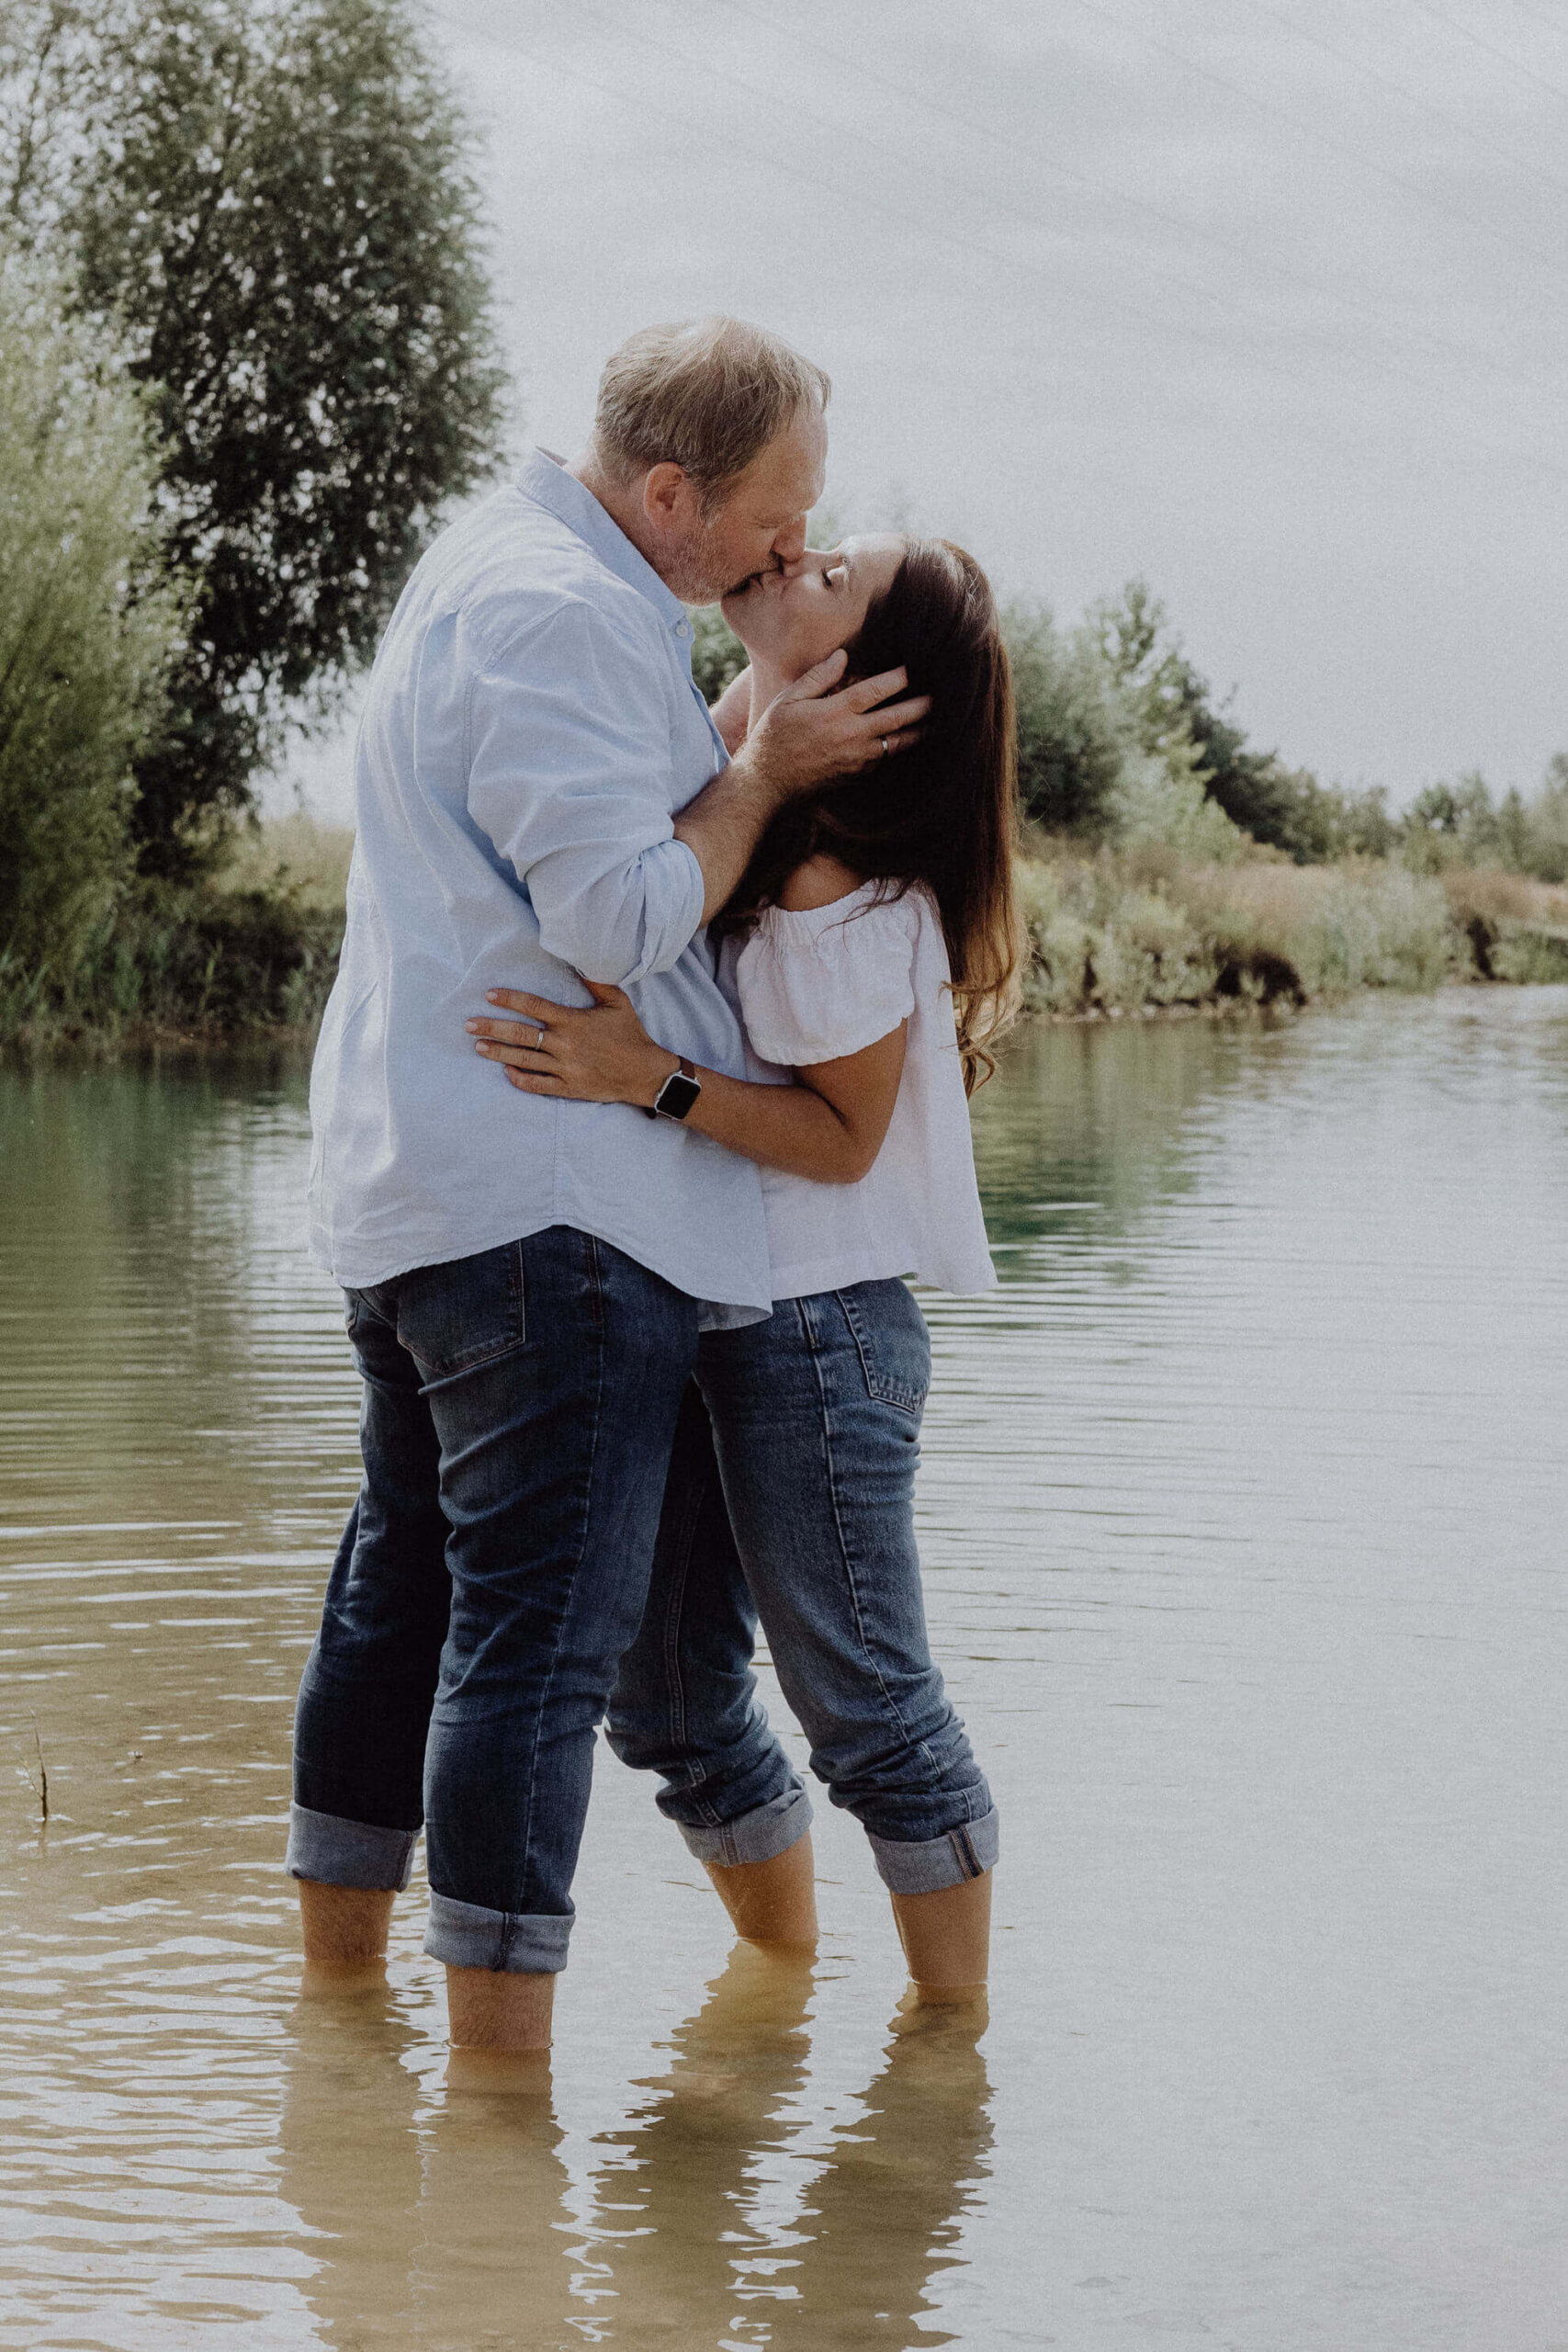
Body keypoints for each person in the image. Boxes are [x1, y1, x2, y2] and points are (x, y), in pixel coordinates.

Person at [289, 317, 931, 2076]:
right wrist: (769, 775)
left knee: (398, 1591)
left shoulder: (500, 573)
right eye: (775, 517)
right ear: (672, 491)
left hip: (429, 1184)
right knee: (534, 1644)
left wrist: (744, 730)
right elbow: (622, 916)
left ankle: (338, 2025)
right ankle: (499, 2117)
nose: (788, 553)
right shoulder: (564, 613)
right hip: (545, 1214)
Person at [467, 529, 1021, 2011]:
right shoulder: (747, 775)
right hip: (705, 1307)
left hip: (819, 1331)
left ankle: (948, 2049)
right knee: (664, 1698)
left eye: (834, 573)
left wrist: (642, 1078)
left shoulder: (847, 881)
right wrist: (764, 693)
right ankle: (780, 1976)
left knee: (866, 1706)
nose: (799, 554)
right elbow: (662, 813)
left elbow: (843, 1146)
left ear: (865, 684)